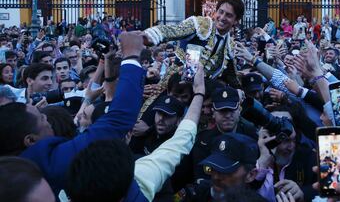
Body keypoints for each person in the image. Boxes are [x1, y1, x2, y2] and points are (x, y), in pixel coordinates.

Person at [0, 31, 146, 197]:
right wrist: (131, 56)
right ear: (31, 140)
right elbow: (118, 119)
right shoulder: (44, 163)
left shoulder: (13, 166)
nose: (47, 119)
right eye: (42, 118)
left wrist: (90, 97)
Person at [66, 64, 207, 202]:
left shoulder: (71, 171)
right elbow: (181, 140)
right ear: (128, 136)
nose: (161, 119)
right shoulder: (141, 176)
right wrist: (199, 91)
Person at [143, 0, 245, 88]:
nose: (222, 17)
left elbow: (231, 76)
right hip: (174, 86)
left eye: (228, 15)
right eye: (221, 12)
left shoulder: (229, 45)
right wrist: (149, 35)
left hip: (202, 95)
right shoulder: (201, 24)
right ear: (216, 12)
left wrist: (241, 91)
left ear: (236, 20)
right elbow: (174, 30)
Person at [192, 85, 257, 180]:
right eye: (222, 111)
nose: (227, 115)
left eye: (231, 110)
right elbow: (201, 178)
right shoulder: (204, 141)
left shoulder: (250, 134)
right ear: (213, 113)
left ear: (239, 110)